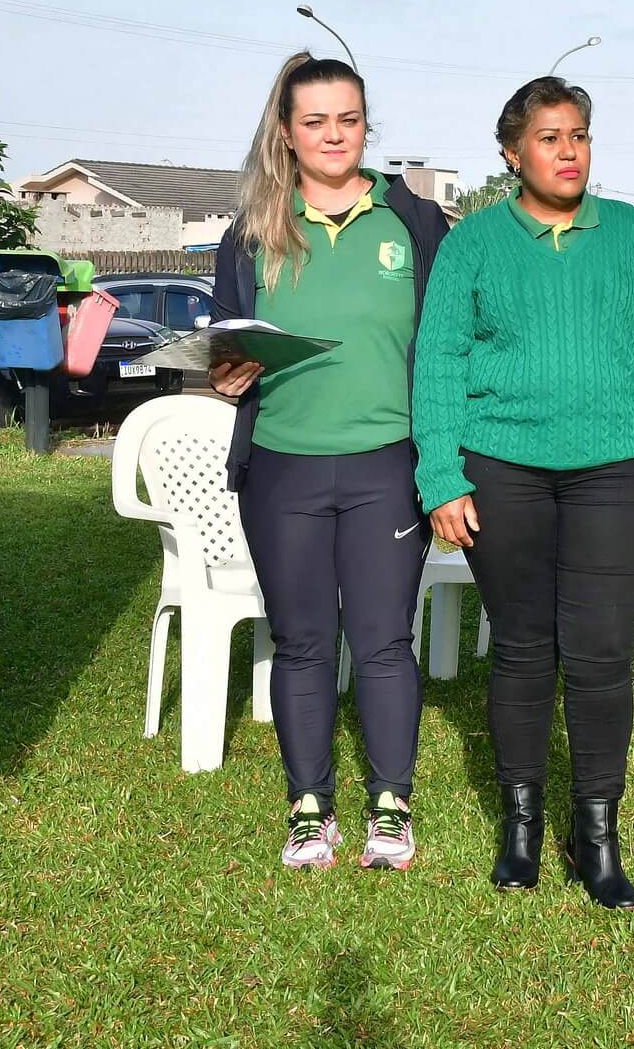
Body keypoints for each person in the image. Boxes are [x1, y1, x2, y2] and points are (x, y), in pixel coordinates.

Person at [412, 76, 634, 909]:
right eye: (550, 137)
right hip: (501, 463)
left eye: (579, 135)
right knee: (524, 646)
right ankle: (522, 825)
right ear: (511, 153)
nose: (569, 151)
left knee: (604, 649)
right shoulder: (473, 245)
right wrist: (441, 472)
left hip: (614, 464)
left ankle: (597, 832)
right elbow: (439, 362)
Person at [209, 52, 449, 872]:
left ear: (365, 124)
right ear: (287, 132)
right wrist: (229, 373)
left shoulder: (414, 222)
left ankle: (392, 806)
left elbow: (448, 345)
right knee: (303, 642)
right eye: (315, 121)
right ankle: (310, 809)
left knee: (383, 641)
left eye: (348, 118)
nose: (334, 134)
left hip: (388, 465)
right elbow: (228, 350)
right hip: (282, 468)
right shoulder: (249, 235)